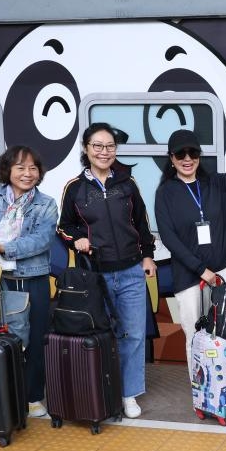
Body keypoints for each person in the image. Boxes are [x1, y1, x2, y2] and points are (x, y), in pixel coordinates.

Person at [154, 122, 226, 374]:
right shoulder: (165, 193)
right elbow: (169, 238)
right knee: (194, 334)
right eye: (180, 154)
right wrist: (201, 270)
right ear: (171, 158)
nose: (187, 159)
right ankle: (201, 389)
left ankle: (225, 383)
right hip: (189, 275)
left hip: (223, 270)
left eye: (193, 153)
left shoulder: (217, 184)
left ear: (199, 156)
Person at [57, 122, 156, 419]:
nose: (104, 151)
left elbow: (142, 224)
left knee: (134, 334)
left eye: (109, 146)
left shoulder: (127, 183)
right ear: (86, 149)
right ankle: (103, 390)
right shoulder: (75, 188)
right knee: (101, 333)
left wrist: (148, 257)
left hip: (130, 272)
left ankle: (128, 394)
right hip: (95, 276)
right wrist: (78, 239)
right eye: (98, 146)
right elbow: (64, 227)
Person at [0, 145, 58, 419]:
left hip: (31, 280)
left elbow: (42, 240)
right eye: (20, 168)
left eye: (33, 168)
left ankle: (33, 397)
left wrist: (4, 248)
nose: (27, 174)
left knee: (35, 340)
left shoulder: (46, 204)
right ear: (7, 170)